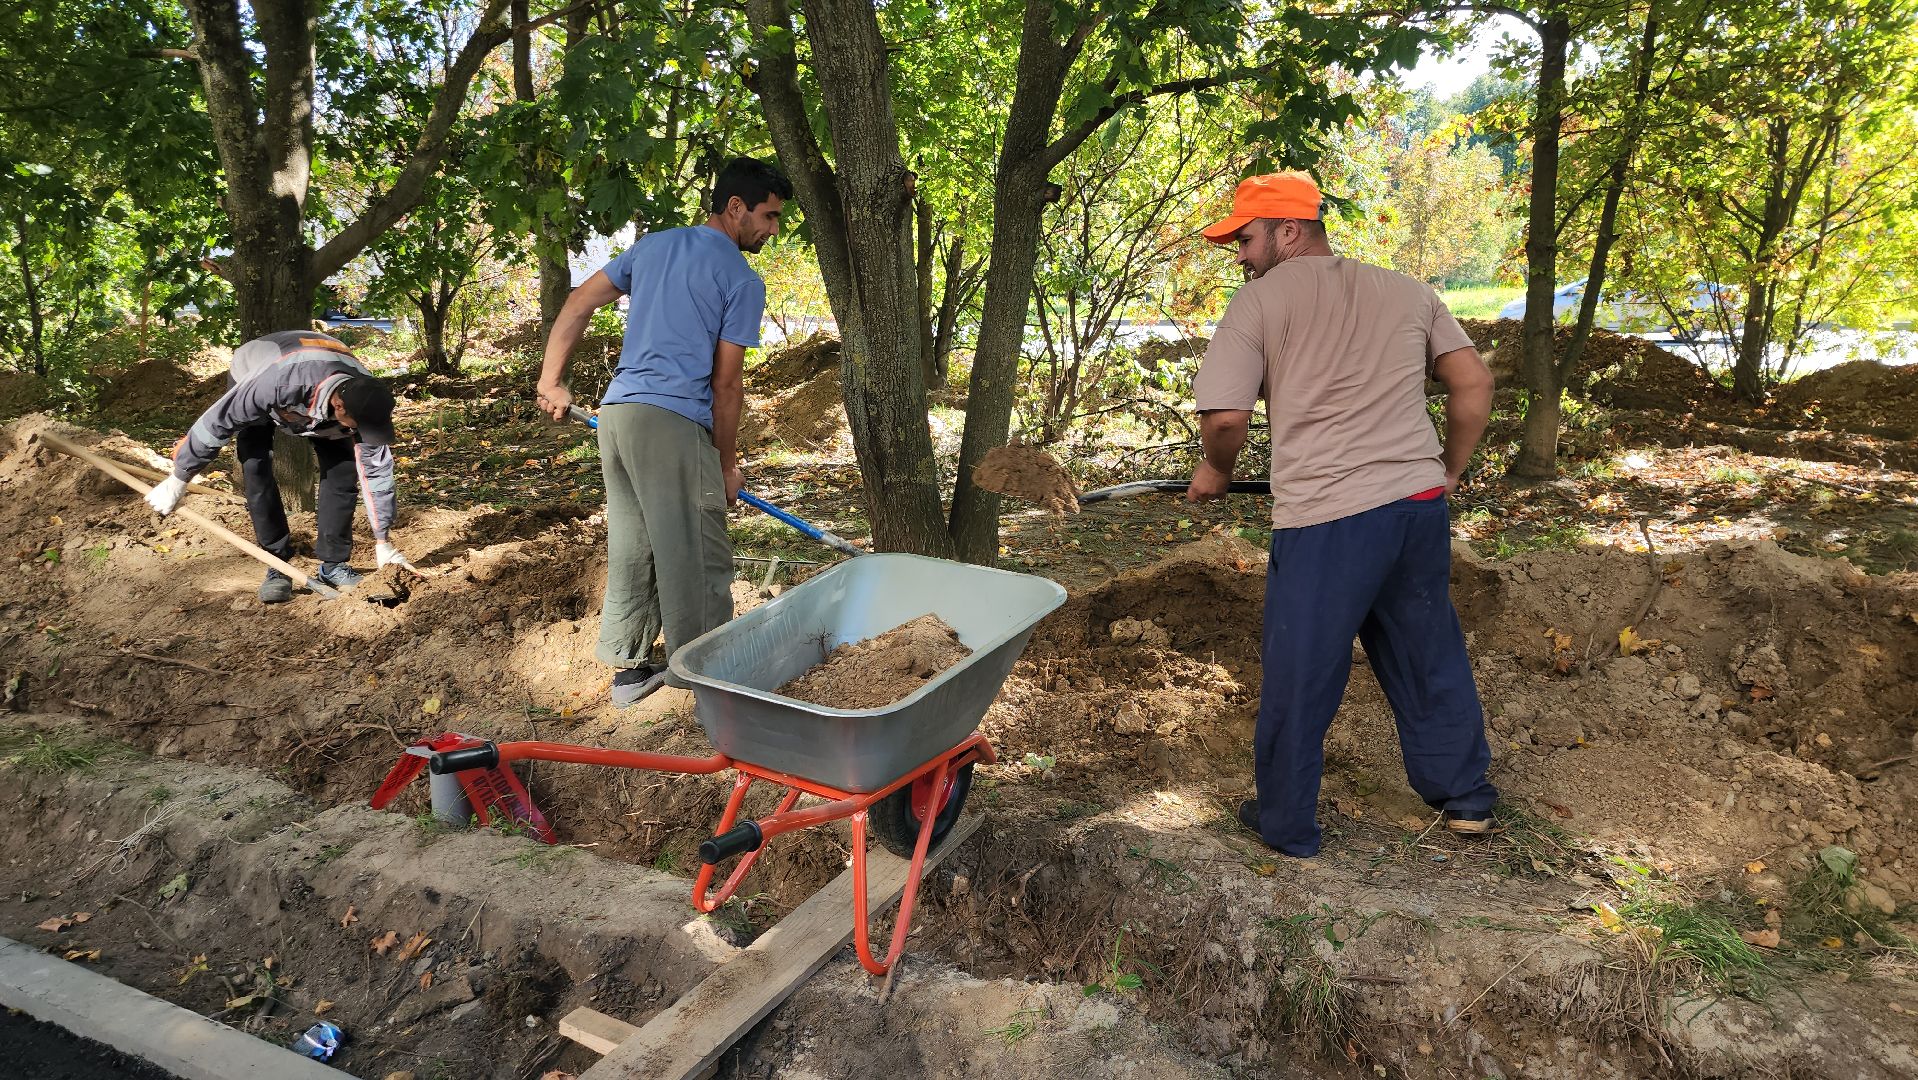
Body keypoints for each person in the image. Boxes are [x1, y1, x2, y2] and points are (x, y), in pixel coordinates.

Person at [1186, 171, 1500, 858]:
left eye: (1245, 239)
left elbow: (1227, 419)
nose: (1240, 257)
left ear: (1288, 230)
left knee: (1301, 669)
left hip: (1327, 518)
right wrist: (1447, 469)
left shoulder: (1259, 302)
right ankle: (1466, 797)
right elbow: (1474, 383)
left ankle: (1286, 823)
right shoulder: (1410, 292)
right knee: (1425, 647)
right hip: (1416, 509)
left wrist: (1217, 469)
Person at [535, 156, 791, 708]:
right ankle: (705, 683)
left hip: (619, 419)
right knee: (696, 553)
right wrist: (725, 465)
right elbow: (726, 385)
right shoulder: (742, 279)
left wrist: (550, 380)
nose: (773, 230)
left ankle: (630, 671)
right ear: (736, 207)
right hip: (672, 425)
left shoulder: (652, 247)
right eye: (769, 216)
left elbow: (578, 302)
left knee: (638, 543)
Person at [146, 330, 415, 603]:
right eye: (359, 426)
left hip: (320, 379)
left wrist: (383, 540)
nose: (361, 433)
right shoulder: (274, 384)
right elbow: (216, 423)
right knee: (255, 464)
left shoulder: (367, 396)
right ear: (339, 405)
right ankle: (277, 562)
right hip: (259, 367)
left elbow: (377, 472)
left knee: (343, 469)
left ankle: (334, 565)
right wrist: (180, 477)